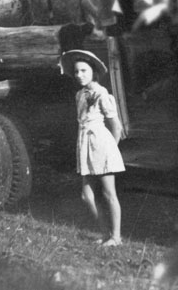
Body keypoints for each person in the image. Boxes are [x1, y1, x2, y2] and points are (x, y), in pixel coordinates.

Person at [60, 49, 125, 247]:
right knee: (86, 195)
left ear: (93, 71)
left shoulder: (101, 93)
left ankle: (116, 237)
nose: (79, 75)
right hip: (84, 144)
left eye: (84, 71)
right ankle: (105, 233)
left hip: (101, 144)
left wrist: (110, 149)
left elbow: (117, 126)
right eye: (77, 71)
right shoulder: (80, 94)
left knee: (108, 193)